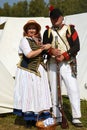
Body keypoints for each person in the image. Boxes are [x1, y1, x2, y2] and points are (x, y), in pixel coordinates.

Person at [43, 6, 83, 127]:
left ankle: (76, 117)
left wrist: (65, 55)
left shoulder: (70, 29)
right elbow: (45, 48)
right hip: (53, 64)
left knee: (73, 89)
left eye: (56, 18)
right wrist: (51, 52)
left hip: (67, 63)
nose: (54, 20)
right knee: (54, 91)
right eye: (52, 18)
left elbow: (77, 46)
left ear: (62, 17)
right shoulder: (47, 31)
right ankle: (57, 116)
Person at [13, 20, 52, 128]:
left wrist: (47, 45)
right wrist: (43, 48)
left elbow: (43, 51)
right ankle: (29, 120)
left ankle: (41, 118)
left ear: (37, 30)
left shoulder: (37, 41)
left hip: (39, 71)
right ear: (26, 30)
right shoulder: (24, 40)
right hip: (27, 71)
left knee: (40, 94)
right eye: (29, 28)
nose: (31, 30)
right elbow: (29, 55)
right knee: (29, 95)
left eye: (33, 28)